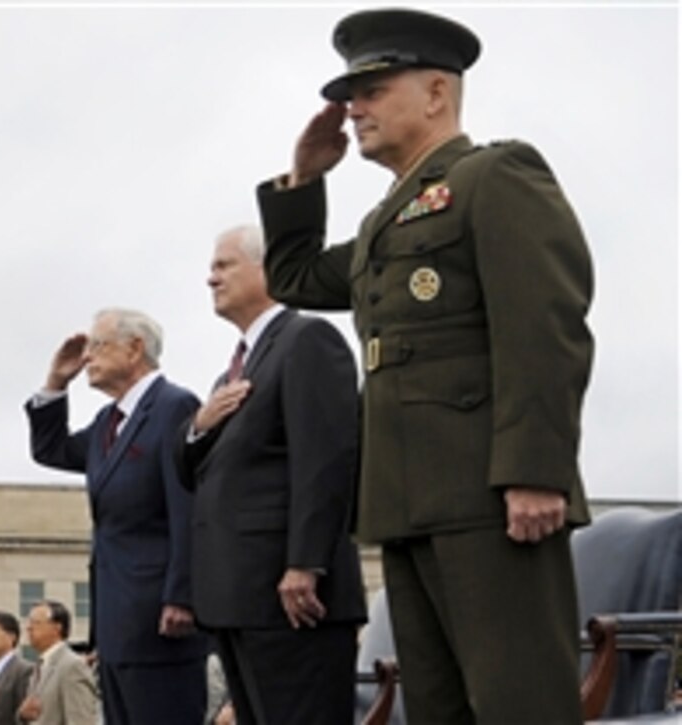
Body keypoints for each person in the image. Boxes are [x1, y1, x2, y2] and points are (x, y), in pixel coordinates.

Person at [255, 8, 594, 723]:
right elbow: (292, 278)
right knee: (439, 709)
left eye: (372, 90)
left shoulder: (493, 175)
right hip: (409, 501)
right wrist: (303, 176)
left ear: (437, 92)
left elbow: (544, 328)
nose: (352, 109)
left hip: (491, 496)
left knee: (519, 702)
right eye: (350, 96)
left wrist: (535, 469)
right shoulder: (390, 219)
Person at [176, 225, 365, 724]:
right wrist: (198, 425)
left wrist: (305, 563)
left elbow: (326, 460)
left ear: (267, 269)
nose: (210, 279)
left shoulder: (307, 340)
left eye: (224, 265)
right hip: (239, 598)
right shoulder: (232, 373)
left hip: (291, 597)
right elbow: (189, 470)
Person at [25, 307, 208, 724]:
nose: (88, 357)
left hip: (159, 617)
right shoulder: (109, 421)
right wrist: (56, 382)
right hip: (117, 620)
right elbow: (50, 450)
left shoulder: (173, 406)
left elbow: (187, 505)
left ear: (135, 348)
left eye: (98, 346)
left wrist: (182, 595)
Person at [17, 600, 99, 725]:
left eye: (36, 623)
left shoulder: (72, 666)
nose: (29, 628)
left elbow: (81, 720)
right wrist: (23, 716)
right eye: (29, 622)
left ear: (56, 628)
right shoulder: (40, 666)